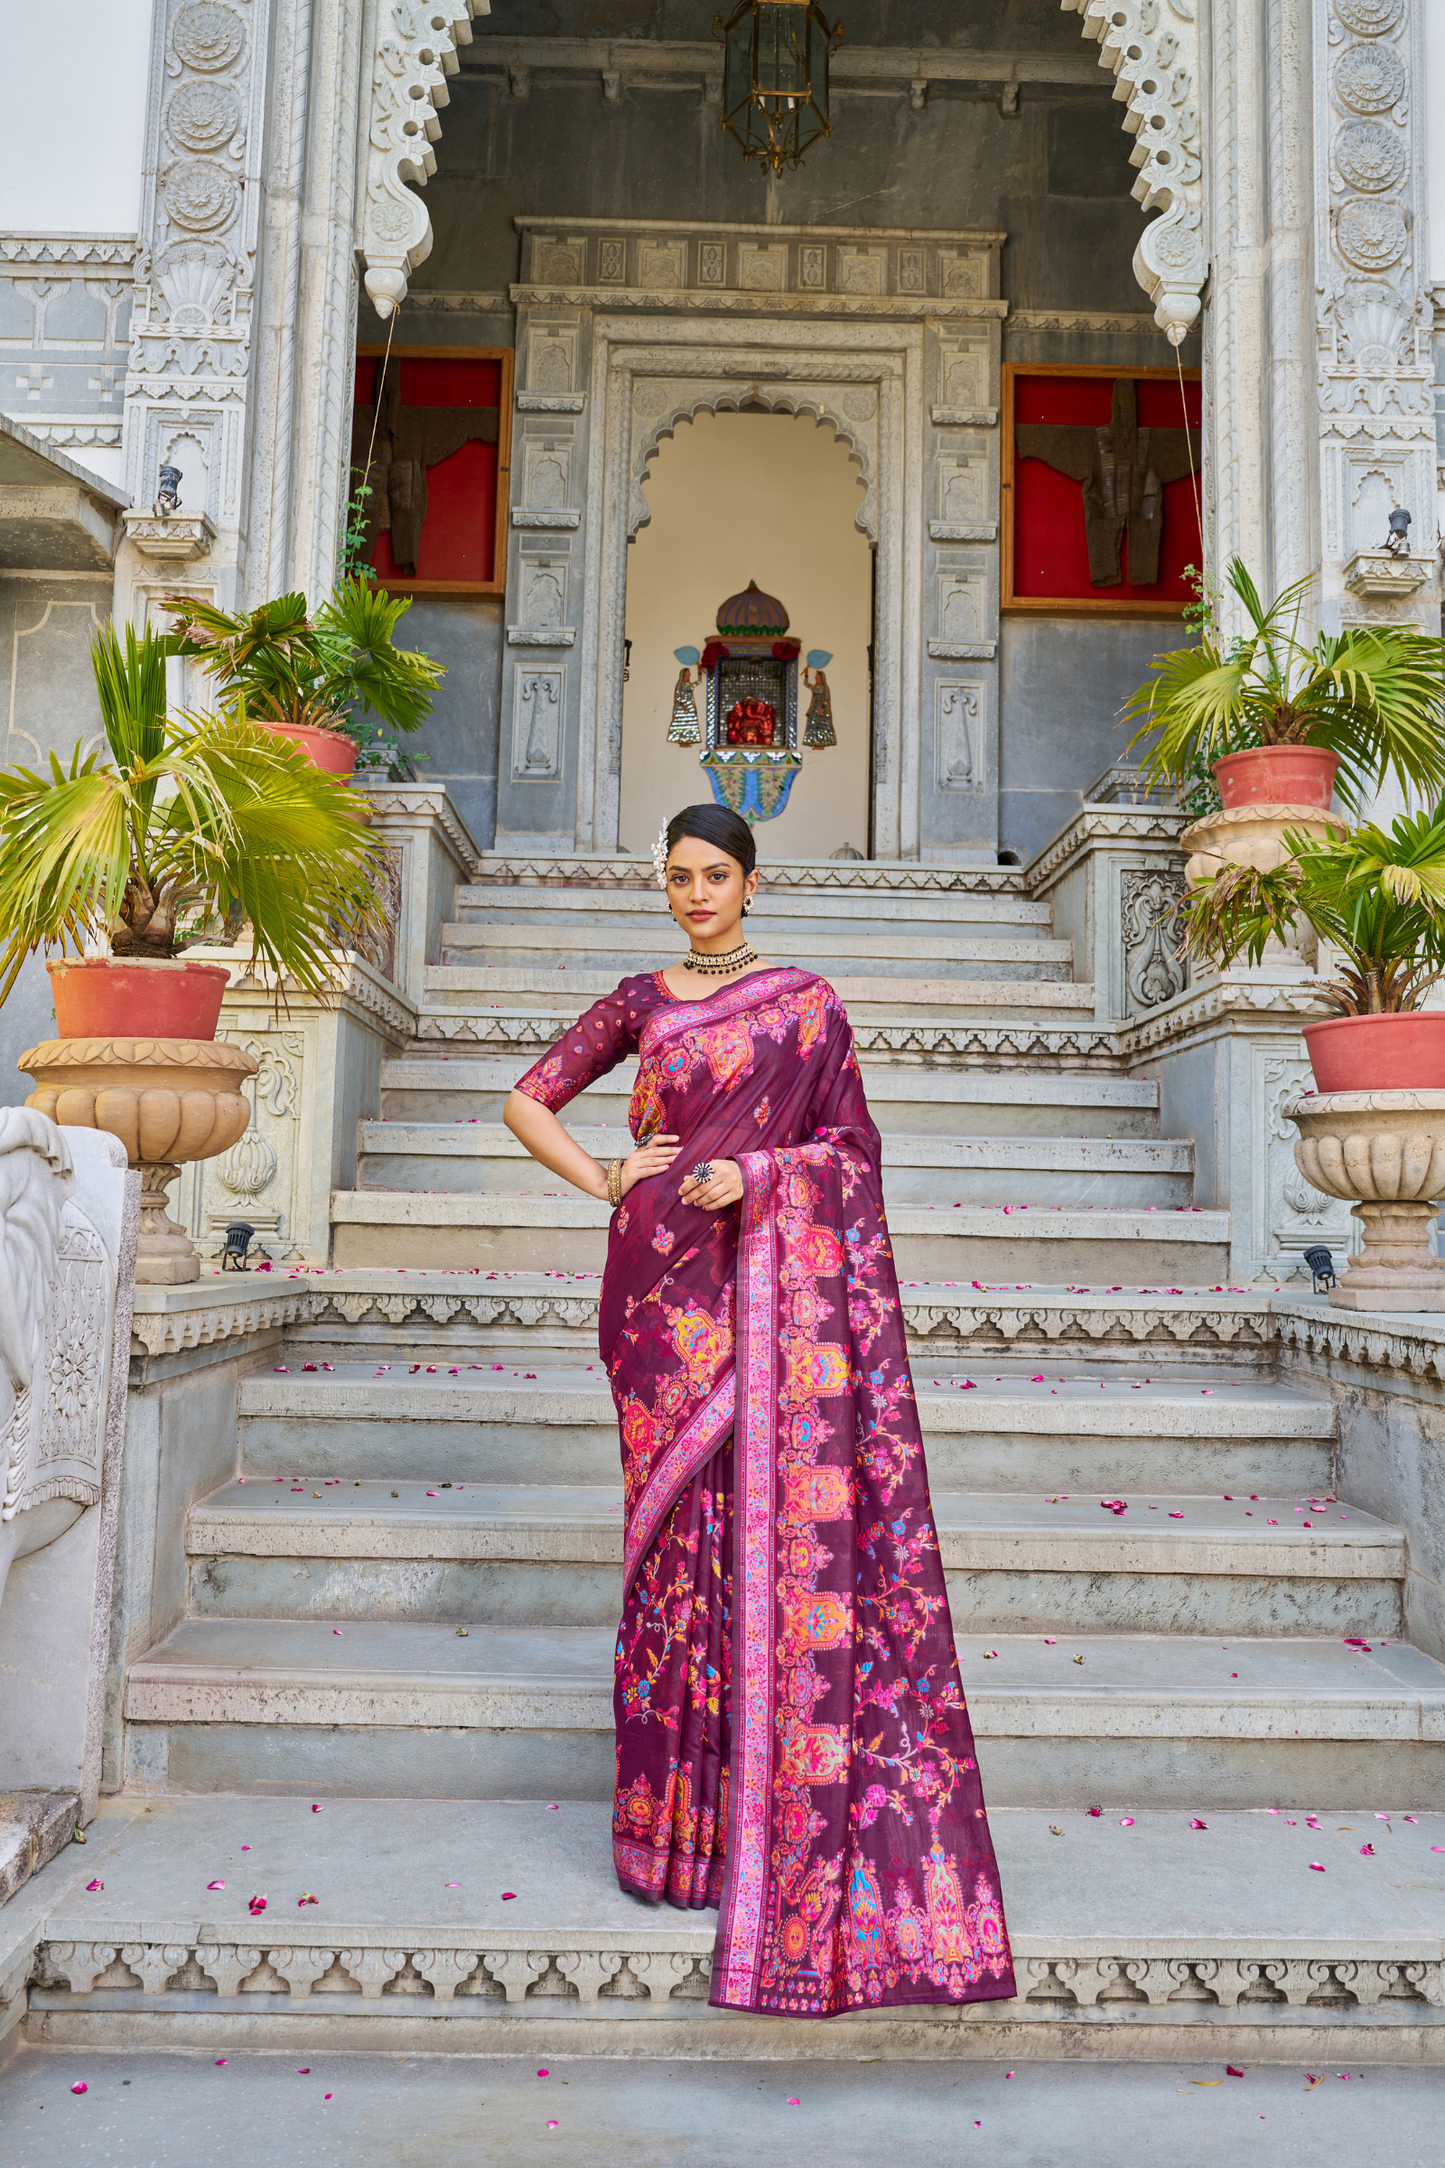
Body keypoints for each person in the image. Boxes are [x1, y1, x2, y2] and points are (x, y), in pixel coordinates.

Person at [504, 803, 1014, 2018]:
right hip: (655, 1299)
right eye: (676, 875)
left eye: (712, 874)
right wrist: (605, 1176)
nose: (692, 893)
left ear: (748, 879)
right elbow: (528, 1098)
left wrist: (766, 1173)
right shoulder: (639, 998)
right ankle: (663, 1836)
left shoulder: (805, 1003)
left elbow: (853, 1146)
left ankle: (742, 1826)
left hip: (762, 1290)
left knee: (751, 1544)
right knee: (673, 1548)